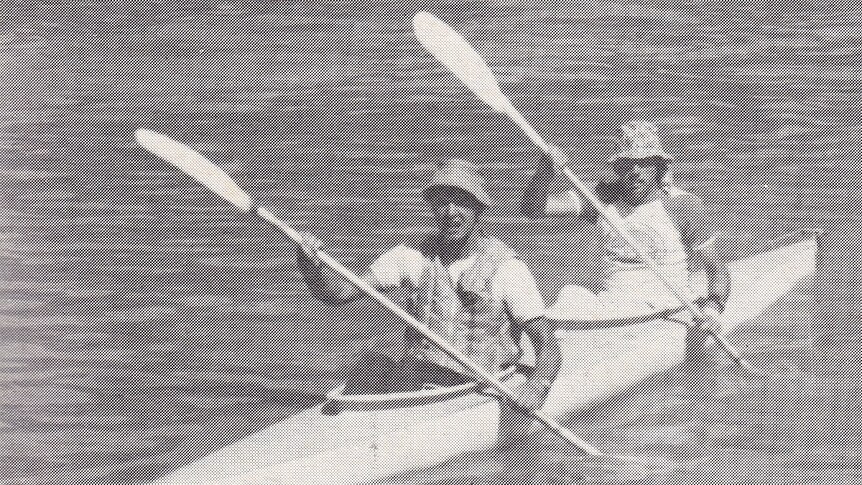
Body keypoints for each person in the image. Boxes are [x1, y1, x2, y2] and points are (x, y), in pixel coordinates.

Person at [297, 159, 561, 411]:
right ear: (432, 207)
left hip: (474, 389)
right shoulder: (410, 256)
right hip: (415, 380)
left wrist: (537, 386)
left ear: (479, 209)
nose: (451, 212)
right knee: (371, 364)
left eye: (462, 202)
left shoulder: (508, 269)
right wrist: (310, 265)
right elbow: (338, 294)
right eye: (441, 203)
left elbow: (548, 345)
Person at [521, 120, 730, 363]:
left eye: (644, 163)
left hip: (668, 307)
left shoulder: (684, 205)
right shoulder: (599, 196)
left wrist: (714, 309)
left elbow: (716, 269)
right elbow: (532, 210)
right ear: (618, 168)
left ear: (660, 167)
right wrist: (545, 172)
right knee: (570, 296)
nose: (635, 171)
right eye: (627, 164)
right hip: (610, 307)